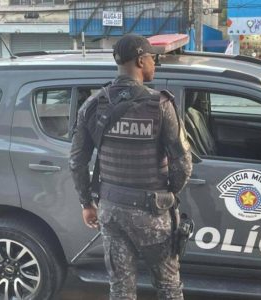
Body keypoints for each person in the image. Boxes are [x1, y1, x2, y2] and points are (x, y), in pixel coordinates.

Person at [69, 34, 192, 300]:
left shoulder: (92, 105)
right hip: (153, 213)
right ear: (140, 60)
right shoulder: (160, 105)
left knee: (121, 289)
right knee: (169, 287)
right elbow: (183, 164)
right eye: (153, 58)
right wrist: (168, 194)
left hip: (111, 212)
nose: (154, 64)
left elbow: (77, 161)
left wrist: (86, 204)